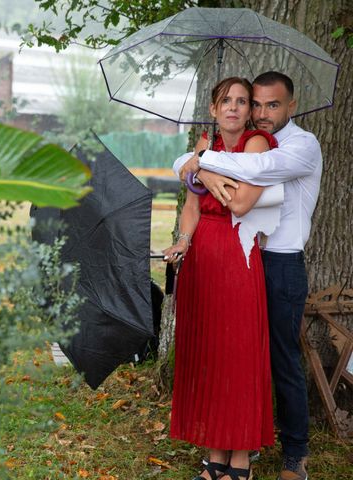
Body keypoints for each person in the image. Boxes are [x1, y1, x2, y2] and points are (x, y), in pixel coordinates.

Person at [174, 71, 322, 480]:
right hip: (246, 256)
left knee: (280, 359)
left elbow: (252, 171)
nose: (260, 112)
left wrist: (197, 165)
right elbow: (196, 166)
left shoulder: (299, 146)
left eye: (270, 105)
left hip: (280, 263)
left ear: (291, 105)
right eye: (255, 104)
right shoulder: (232, 143)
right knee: (235, 355)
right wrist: (195, 166)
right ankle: (232, 444)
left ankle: (295, 454)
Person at [165, 76, 278, 480]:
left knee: (239, 353)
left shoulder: (256, 145)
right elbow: (192, 207)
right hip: (203, 257)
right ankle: (215, 458)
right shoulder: (204, 145)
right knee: (211, 355)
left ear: (250, 111)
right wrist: (182, 240)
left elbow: (241, 202)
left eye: (242, 101)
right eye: (225, 101)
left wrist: (204, 168)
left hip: (238, 254)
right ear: (213, 109)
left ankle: (241, 463)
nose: (233, 107)